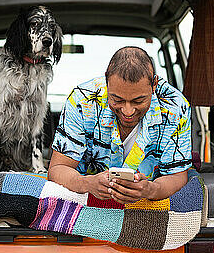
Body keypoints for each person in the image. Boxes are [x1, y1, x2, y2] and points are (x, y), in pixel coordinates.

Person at [47, 46, 192, 203]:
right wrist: (88, 183)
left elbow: (177, 176)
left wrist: (150, 190)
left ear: (154, 85)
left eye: (138, 101)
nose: (128, 111)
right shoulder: (82, 101)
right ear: (106, 81)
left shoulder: (176, 107)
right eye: (117, 100)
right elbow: (57, 169)